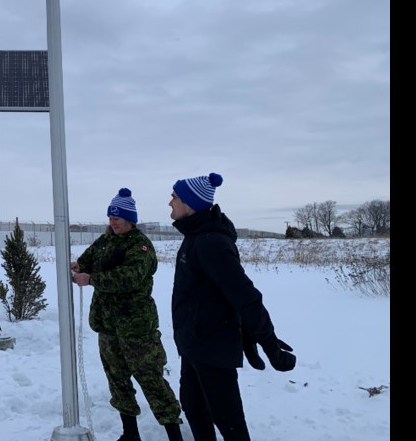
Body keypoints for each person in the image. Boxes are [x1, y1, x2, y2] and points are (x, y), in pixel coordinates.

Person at [169, 173, 297, 441]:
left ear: (190, 205)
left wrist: (269, 345)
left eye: (175, 197)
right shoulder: (194, 236)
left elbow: (245, 296)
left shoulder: (210, 243)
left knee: (228, 422)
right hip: (193, 343)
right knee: (193, 408)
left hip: (212, 346)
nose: (170, 202)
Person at [71, 188, 185, 441]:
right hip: (108, 326)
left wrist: (92, 279)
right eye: (111, 218)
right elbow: (87, 260)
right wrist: (79, 267)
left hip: (136, 329)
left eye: (118, 218)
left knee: (152, 382)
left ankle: (174, 435)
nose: (113, 222)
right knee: (117, 381)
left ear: (130, 219)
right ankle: (130, 434)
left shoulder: (140, 245)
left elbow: (130, 277)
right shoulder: (105, 241)